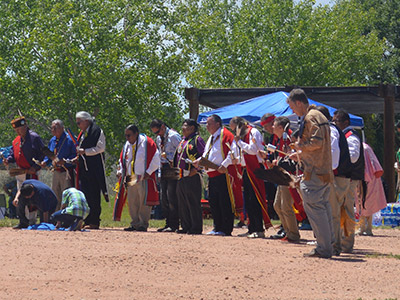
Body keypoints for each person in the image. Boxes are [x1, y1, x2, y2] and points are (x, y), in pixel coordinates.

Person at [288, 89, 333, 258]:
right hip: (323, 170)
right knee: (324, 208)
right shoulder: (319, 115)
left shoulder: (310, 117)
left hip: (314, 172)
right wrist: (301, 153)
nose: (293, 111)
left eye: (293, 107)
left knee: (315, 209)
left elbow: (317, 142)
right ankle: (331, 245)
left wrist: (300, 147)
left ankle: (324, 248)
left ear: (299, 102)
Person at [193, 114, 242, 236]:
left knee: (224, 201)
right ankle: (217, 227)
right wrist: (199, 161)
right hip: (212, 174)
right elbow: (207, 153)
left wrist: (224, 165)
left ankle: (226, 228)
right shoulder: (211, 138)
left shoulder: (226, 135)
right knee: (214, 201)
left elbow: (233, 152)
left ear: (217, 124)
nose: (207, 126)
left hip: (223, 174)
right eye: (206, 124)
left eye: (209, 123)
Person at [316, 106, 352, 256]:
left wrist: (325, 171)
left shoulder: (331, 131)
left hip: (337, 176)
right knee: (331, 211)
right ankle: (332, 244)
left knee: (333, 212)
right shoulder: (330, 130)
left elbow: (333, 156)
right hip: (335, 175)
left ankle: (335, 246)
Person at [230, 116, 272, 238]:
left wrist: (239, 142)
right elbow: (244, 154)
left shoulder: (253, 132)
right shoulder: (243, 135)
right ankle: (251, 228)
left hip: (255, 169)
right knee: (248, 200)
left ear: (240, 126)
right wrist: (236, 159)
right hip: (246, 169)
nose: (234, 132)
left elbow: (253, 150)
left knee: (255, 199)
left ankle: (259, 229)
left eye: (235, 129)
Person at [332, 109, 365, 254]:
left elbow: (353, 157)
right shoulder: (342, 136)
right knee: (340, 210)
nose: (334, 124)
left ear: (345, 122)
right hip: (344, 178)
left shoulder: (351, 136)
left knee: (347, 210)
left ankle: (347, 244)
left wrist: (338, 158)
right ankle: (340, 242)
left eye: (336, 121)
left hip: (349, 178)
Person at [117, 124, 160, 232]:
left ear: (136, 133)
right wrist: (120, 171)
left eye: (129, 135)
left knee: (143, 201)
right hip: (130, 177)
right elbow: (123, 159)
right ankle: (134, 223)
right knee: (132, 201)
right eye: (126, 135)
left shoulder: (147, 142)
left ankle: (143, 224)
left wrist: (148, 172)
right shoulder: (127, 144)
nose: (127, 138)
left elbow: (156, 157)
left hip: (143, 177)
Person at [269, 116, 301, 242]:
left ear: (281, 127)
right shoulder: (281, 138)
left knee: (285, 205)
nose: (272, 127)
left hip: (289, 175)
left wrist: (281, 162)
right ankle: (287, 231)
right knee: (277, 205)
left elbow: (292, 158)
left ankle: (293, 234)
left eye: (274, 125)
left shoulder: (288, 137)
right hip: (283, 175)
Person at [75, 111, 108, 230]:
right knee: (86, 195)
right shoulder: (83, 134)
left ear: (86, 121)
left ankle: (95, 221)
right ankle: (87, 219)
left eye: (79, 122)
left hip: (94, 169)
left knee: (94, 195)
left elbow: (101, 148)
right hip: (85, 169)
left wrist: (85, 152)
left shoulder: (97, 131)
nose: (78, 125)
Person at [174, 119, 205, 234]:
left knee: (193, 202)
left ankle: (196, 227)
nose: (182, 128)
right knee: (182, 202)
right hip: (181, 175)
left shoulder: (197, 140)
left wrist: (196, 169)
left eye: (185, 126)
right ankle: (186, 226)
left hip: (192, 175)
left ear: (192, 128)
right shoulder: (183, 140)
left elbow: (204, 156)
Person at [150, 119, 182, 233]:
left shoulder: (173, 136)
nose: (157, 134)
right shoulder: (159, 138)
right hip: (163, 168)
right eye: (155, 133)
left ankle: (174, 224)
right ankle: (168, 222)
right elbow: (159, 155)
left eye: (158, 131)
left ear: (163, 126)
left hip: (173, 168)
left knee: (172, 197)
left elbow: (181, 150)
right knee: (164, 198)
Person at [42, 120, 77, 211]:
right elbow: (49, 154)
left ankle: (67, 216)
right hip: (56, 172)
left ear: (62, 128)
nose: (53, 130)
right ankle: (57, 217)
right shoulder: (52, 140)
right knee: (55, 195)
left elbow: (75, 155)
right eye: (52, 128)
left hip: (66, 172)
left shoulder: (69, 139)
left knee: (66, 195)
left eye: (55, 128)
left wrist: (65, 161)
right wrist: (45, 161)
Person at [3, 116, 45, 189]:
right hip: (21, 172)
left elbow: (42, 155)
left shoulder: (34, 138)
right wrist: (8, 160)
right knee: (21, 194)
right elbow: (13, 155)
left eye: (19, 129)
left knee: (33, 194)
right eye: (16, 130)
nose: (17, 132)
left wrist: (35, 167)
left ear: (25, 126)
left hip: (33, 172)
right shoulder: (16, 141)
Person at [356, 143, 387, 236]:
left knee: (366, 202)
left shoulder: (363, 148)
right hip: (365, 177)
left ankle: (367, 228)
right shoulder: (365, 147)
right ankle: (364, 227)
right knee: (362, 201)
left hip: (367, 178)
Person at [260, 113, 279, 223]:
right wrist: (266, 156)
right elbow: (272, 154)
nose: (266, 130)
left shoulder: (285, 135)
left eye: (266, 127)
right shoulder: (272, 137)